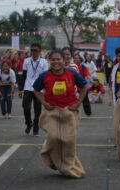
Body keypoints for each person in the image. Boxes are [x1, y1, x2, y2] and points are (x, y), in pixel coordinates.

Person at [33, 50, 87, 178]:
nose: (56, 62)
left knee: (68, 140)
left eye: (59, 59)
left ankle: (68, 166)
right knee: (54, 137)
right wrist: (44, 103)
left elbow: (84, 86)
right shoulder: (44, 75)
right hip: (52, 111)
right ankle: (50, 155)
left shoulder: (72, 73)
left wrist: (78, 103)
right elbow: (35, 90)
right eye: (53, 59)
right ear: (49, 61)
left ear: (64, 60)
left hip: (69, 111)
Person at [19, 43, 48, 136]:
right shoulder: (26, 61)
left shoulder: (43, 62)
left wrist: (46, 90)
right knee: (25, 107)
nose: (34, 52)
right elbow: (23, 75)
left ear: (39, 51)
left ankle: (36, 129)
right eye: (32, 50)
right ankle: (28, 123)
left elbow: (45, 77)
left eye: (36, 50)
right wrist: (20, 89)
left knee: (37, 111)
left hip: (38, 89)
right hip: (28, 87)